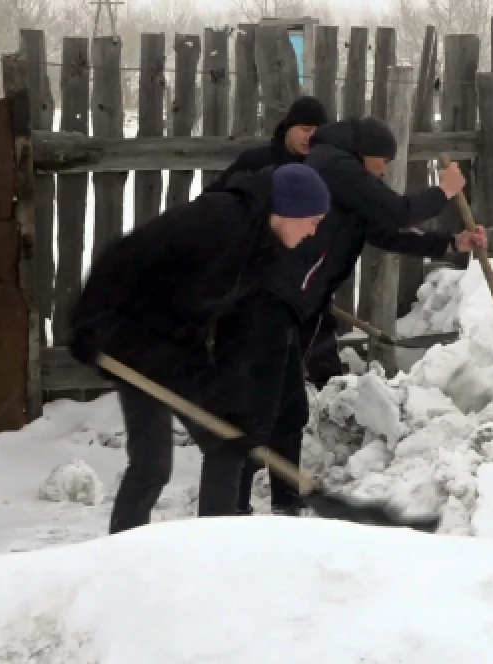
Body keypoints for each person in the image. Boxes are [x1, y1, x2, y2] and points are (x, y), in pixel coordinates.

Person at [236, 116, 487, 516]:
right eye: (382, 161)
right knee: (261, 408)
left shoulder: (344, 181)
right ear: (363, 154)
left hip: (292, 305)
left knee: (287, 408)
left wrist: (451, 243)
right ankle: (234, 506)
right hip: (268, 300)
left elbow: (385, 231)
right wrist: (444, 192)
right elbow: (397, 210)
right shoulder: (334, 165)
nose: (385, 170)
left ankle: (284, 502)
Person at [69, 163, 332, 533]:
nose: (313, 232)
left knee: (227, 443)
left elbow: (239, 329)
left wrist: (235, 403)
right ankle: (124, 550)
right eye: (312, 220)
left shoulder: (265, 251)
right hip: (133, 341)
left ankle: (212, 548)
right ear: (288, 210)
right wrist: (88, 321)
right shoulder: (217, 220)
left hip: (180, 344)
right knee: (153, 465)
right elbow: (125, 254)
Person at [205, 96, 329, 192]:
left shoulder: (325, 167)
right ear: (288, 128)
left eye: (317, 131)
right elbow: (214, 196)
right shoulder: (255, 161)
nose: (310, 137)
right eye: (305, 129)